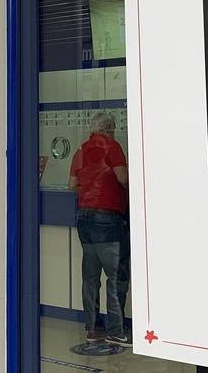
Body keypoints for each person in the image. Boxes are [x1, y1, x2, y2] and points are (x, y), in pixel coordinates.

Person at [69, 112, 131, 347]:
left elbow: (72, 185)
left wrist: (90, 193)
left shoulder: (81, 149)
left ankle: (93, 329)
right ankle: (116, 330)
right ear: (110, 128)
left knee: (91, 277)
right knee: (116, 276)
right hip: (107, 219)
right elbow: (123, 178)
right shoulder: (112, 146)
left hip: (84, 219)